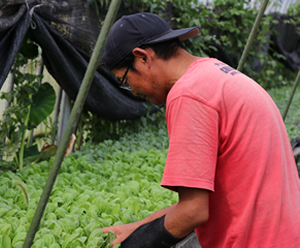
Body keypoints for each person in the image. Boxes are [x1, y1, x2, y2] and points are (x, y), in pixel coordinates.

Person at [99, 12, 300, 248]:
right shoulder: (215, 74)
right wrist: (135, 228)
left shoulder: (189, 94)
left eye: (124, 80)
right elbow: (197, 202)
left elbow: (193, 211)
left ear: (143, 58)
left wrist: (135, 244)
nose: (132, 91)